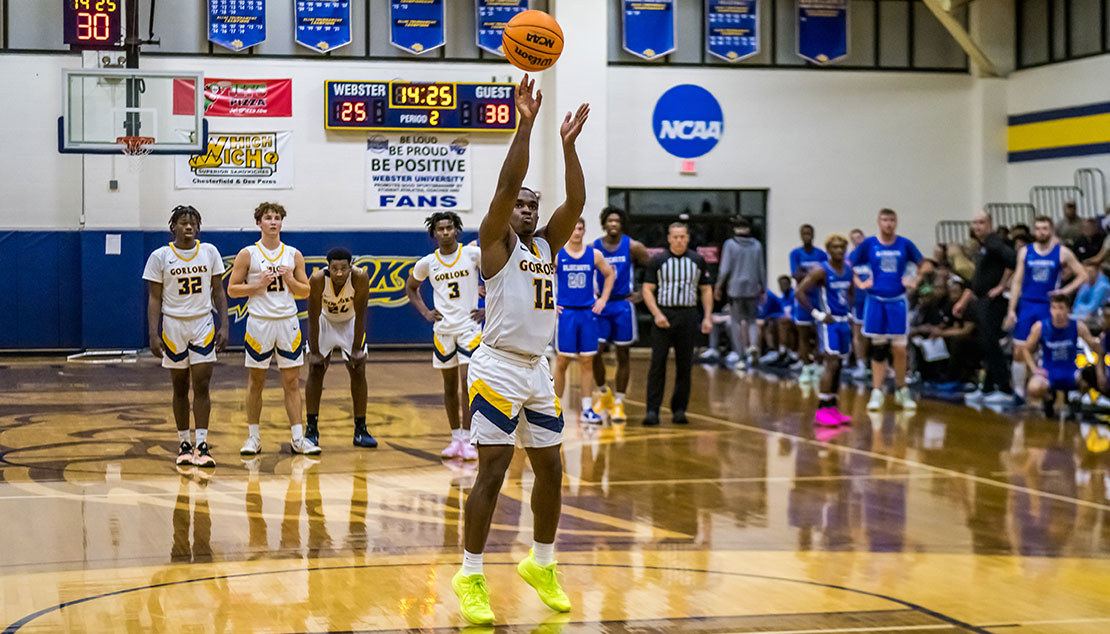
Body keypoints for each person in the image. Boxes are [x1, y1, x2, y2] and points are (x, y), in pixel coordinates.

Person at [452, 75, 588, 625]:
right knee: (493, 470)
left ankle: (543, 563)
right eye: (523, 205)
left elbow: (576, 200)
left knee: (552, 470)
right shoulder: (494, 243)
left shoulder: (545, 246)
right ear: (508, 212)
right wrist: (525, 125)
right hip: (496, 366)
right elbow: (509, 186)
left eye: (535, 206)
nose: (529, 210)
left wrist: (569, 146)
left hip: (536, 371)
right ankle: (471, 573)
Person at [227, 202, 319, 456]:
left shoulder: (293, 254)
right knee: (256, 381)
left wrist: (290, 280)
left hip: (287, 322)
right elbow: (232, 289)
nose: (273, 222)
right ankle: (253, 438)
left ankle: (298, 438)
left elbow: (306, 292)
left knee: (291, 382)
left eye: (277, 218)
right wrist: (256, 286)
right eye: (268, 218)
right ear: (259, 223)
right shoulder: (248, 254)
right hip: (259, 322)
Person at [143, 205, 228, 467]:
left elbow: (219, 292)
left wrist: (224, 325)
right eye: (183, 222)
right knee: (179, 387)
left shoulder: (209, 252)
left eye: (193, 223)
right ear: (173, 227)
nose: (188, 227)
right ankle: (183, 444)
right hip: (173, 326)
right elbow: (154, 298)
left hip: (202, 323)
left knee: (202, 385)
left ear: (198, 227)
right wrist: (153, 333)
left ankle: (202, 445)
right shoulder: (160, 256)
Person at [406, 211, 484, 461]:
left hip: (469, 328)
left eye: (449, 228)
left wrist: (487, 306)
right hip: (443, 331)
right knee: (449, 387)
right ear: (434, 233)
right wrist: (426, 312)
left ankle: (471, 439)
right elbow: (411, 287)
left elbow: (499, 278)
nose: (446, 232)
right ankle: (455, 438)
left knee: (466, 384)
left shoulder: (473, 254)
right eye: (441, 229)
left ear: (457, 231)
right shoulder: (428, 262)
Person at [850, 208, 929, 411]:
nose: (888, 223)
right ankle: (877, 391)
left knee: (900, 348)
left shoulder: (905, 244)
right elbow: (848, 263)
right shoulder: (869, 244)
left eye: (892, 220)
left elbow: (925, 265)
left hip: (898, 301)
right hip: (875, 300)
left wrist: (915, 279)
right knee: (878, 347)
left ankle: (902, 390)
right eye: (885, 219)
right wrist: (858, 282)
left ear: (896, 222)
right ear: (878, 222)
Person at [1004, 216, 1086, 400]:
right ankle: (1018, 392)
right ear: (1034, 231)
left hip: (1048, 306)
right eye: (1038, 228)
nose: (1041, 232)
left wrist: (1065, 290)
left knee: (1044, 347)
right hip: (1027, 304)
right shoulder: (1025, 252)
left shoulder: (1062, 252)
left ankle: (1050, 387)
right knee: (1019, 349)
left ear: (1051, 231)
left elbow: (1082, 274)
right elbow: (1017, 280)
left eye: (1045, 228)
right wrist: (1011, 309)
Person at [641, 222, 714, 426]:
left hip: (688, 315)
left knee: (685, 366)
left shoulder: (697, 260)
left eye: (682, 236)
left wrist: (707, 316)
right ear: (669, 238)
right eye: (675, 237)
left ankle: (679, 410)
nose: (679, 240)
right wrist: (656, 314)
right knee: (658, 364)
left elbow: (706, 289)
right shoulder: (658, 260)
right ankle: (652, 411)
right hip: (664, 315)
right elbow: (647, 289)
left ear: (688, 238)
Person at [305, 247, 375, 449]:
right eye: (334, 268)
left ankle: (360, 429)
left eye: (343, 268)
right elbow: (312, 316)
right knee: (316, 370)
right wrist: (315, 351)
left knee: (358, 369)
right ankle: (311, 429)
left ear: (350, 267)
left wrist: (356, 349)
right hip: (325, 322)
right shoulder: (318, 279)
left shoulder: (360, 278)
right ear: (328, 268)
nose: (338, 273)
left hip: (350, 322)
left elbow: (361, 314)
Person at [591, 206, 652, 422]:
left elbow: (654, 266)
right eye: (610, 221)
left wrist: (643, 293)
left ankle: (618, 402)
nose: (613, 224)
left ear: (622, 223)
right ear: (604, 223)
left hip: (623, 306)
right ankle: (604, 392)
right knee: (594, 352)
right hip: (601, 306)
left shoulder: (633, 246)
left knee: (623, 354)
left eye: (617, 221)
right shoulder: (595, 247)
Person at [554, 218, 615, 423]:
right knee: (562, 360)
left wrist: (604, 299)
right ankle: (554, 409)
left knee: (587, 360)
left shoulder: (594, 254)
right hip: (566, 313)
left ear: (584, 230)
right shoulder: (558, 254)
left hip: (587, 313)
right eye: (573, 227)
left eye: (580, 228)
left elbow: (609, 274)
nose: (576, 232)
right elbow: (541, 277)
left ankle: (587, 409)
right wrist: (551, 302)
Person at [953, 211, 1017, 405]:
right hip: (981, 301)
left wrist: (1001, 285)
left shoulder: (994, 242)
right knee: (986, 344)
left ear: (989, 224)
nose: (978, 226)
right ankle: (988, 387)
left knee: (991, 343)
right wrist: (965, 300)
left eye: (981, 222)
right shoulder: (983, 247)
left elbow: (1013, 260)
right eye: (975, 223)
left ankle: (1004, 388)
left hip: (993, 303)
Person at [795, 235, 854, 426]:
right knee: (831, 363)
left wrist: (850, 312)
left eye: (842, 247)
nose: (839, 250)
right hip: (829, 323)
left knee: (840, 365)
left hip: (844, 321)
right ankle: (821, 409)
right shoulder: (821, 270)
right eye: (835, 247)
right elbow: (799, 292)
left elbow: (850, 292)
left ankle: (833, 407)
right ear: (828, 250)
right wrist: (817, 314)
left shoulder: (848, 269)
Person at [1021, 295, 1105, 418]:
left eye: (1061, 308)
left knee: (1088, 378)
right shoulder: (1040, 327)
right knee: (1033, 388)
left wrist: (1099, 369)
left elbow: (1095, 346)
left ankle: (1075, 400)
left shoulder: (1077, 326)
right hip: (1049, 371)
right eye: (1054, 308)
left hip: (1071, 371)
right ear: (1050, 310)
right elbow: (1026, 350)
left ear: (1068, 310)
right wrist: (1034, 369)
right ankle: (1049, 397)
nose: (1057, 312)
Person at [715, 216, 765, 370]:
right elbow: (761, 268)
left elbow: (725, 268)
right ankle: (753, 348)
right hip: (752, 287)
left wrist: (718, 285)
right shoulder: (757, 245)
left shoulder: (730, 244)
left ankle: (740, 355)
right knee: (751, 320)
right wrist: (763, 286)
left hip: (735, 288)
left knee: (736, 321)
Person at [790, 224, 829, 383]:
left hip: (818, 298)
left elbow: (825, 275)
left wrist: (807, 275)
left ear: (813, 235)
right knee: (803, 333)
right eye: (804, 233)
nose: (807, 236)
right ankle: (806, 366)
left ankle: (819, 363)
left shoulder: (821, 254)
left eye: (809, 233)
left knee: (820, 333)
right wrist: (813, 275)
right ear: (800, 235)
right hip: (802, 298)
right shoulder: (795, 253)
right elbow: (795, 274)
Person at [848, 228, 870, 381]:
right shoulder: (850, 258)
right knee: (858, 334)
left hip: (872, 299)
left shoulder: (872, 255)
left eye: (859, 237)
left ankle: (875, 364)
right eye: (854, 238)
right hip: (858, 301)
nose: (858, 240)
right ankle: (861, 364)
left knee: (873, 333)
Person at [1073, 261, 1110, 328]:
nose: (1087, 275)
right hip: (1085, 317)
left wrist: (1077, 313)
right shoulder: (1087, 283)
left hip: (1097, 320)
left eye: (1090, 272)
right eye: (1085, 272)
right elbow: (1076, 305)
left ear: (1098, 271)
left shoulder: (1104, 287)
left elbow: (1091, 309)